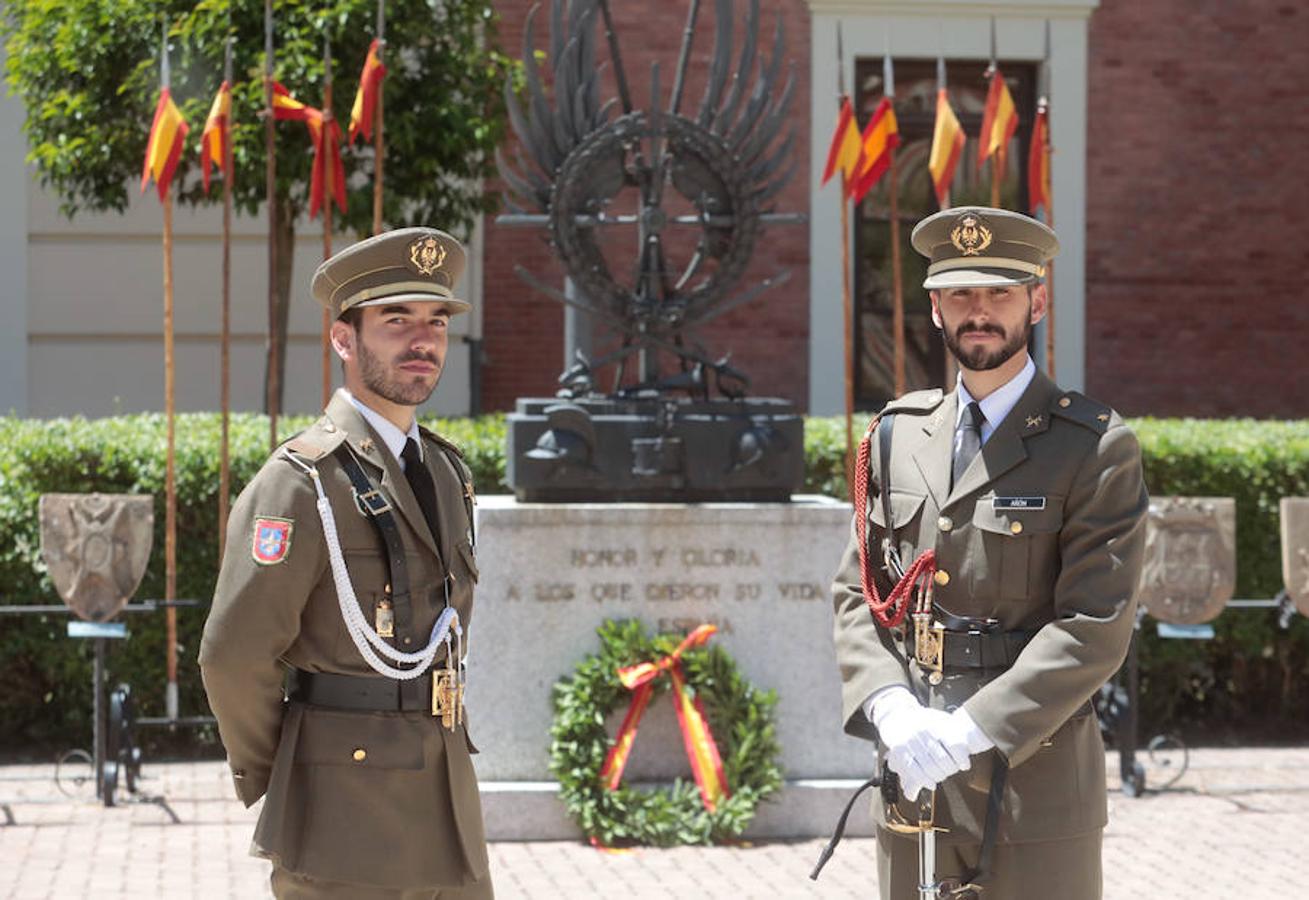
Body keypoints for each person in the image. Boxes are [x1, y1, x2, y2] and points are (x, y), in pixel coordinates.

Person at [830, 207, 1148, 899]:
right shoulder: (896, 435)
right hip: (914, 778)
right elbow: (858, 592)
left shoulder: (1092, 446)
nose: (979, 312)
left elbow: (1095, 625)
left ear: (1037, 302)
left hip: (1036, 785)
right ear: (935, 308)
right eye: (960, 294)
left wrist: (973, 729)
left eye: (999, 293)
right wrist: (888, 705)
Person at [200, 228, 491, 899]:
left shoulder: (446, 472)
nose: (422, 341)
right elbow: (233, 656)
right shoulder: (302, 482)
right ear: (343, 339)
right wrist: (290, 771)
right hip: (343, 813)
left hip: (447, 806)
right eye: (396, 321)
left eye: (436, 322)